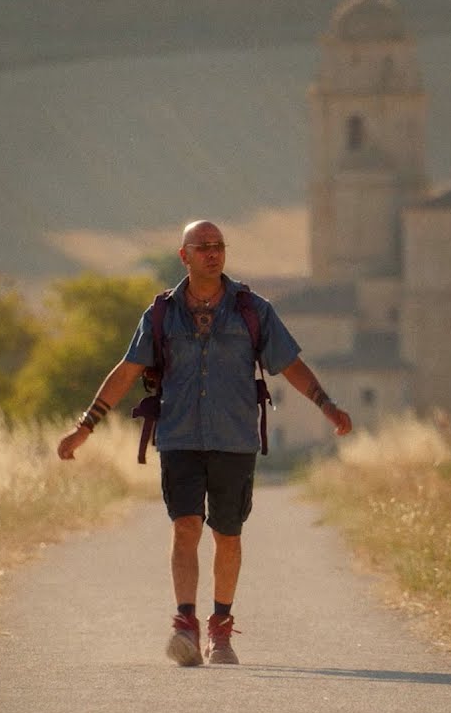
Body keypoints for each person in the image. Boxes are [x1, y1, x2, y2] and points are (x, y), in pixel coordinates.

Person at [56, 219, 353, 667]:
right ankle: (185, 625)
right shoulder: (160, 314)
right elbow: (128, 370)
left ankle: (221, 627)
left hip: (235, 438)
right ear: (185, 255)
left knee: (228, 535)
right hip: (179, 436)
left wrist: (326, 405)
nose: (213, 253)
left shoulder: (253, 310)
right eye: (203, 247)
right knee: (185, 525)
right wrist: (86, 425)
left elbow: (289, 363)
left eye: (219, 246)